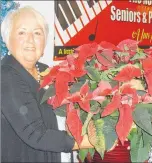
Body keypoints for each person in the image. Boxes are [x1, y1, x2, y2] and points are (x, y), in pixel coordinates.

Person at [1, 6, 93, 162]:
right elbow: (36, 134)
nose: (30, 39)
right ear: (7, 39)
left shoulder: (45, 71)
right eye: (21, 32)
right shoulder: (6, 77)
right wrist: (88, 141)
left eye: (37, 33)